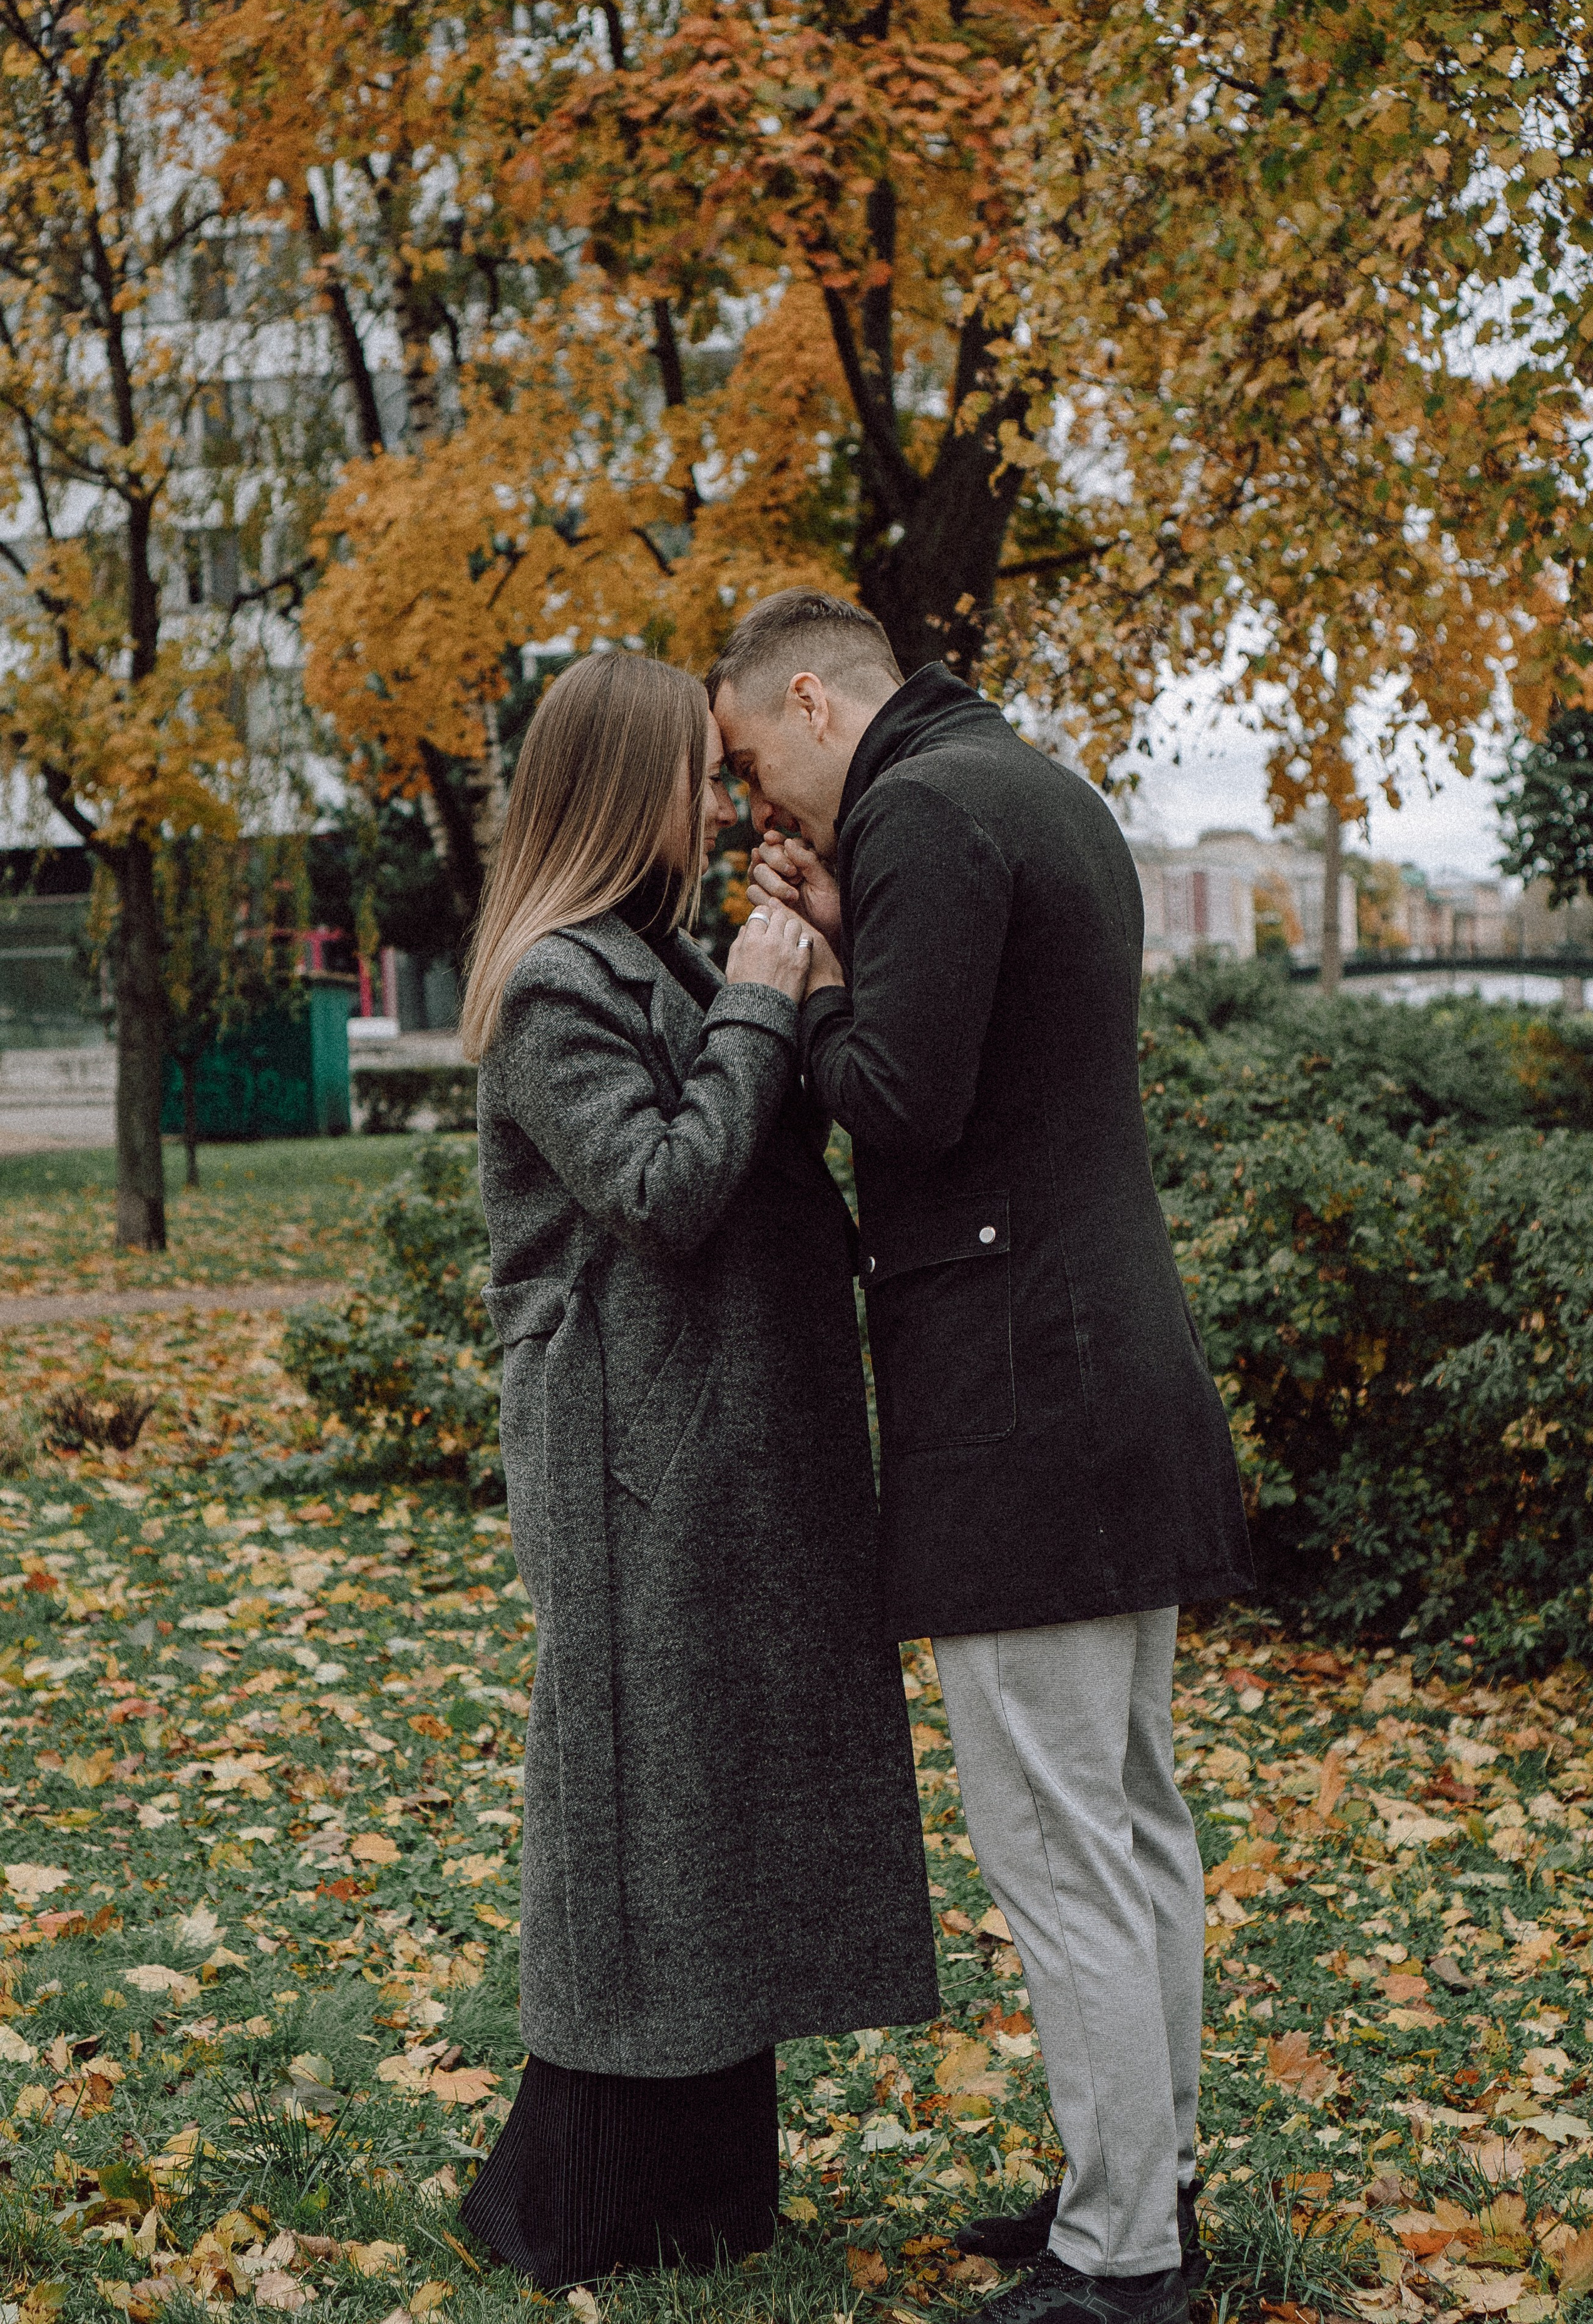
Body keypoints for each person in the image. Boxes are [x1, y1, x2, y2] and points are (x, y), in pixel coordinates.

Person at [710, 590, 1256, 2324]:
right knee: (1137, 1816)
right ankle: (1144, 2178)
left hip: (1020, 1400)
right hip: (1111, 1367)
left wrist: (788, 985)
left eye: (752, 765)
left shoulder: (918, 809)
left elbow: (906, 1100)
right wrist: (862, 948)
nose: (759, 809)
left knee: (1055, 1838)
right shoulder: (1034, 785)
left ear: (811, 698)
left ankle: (1122, 2256)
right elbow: (986, 1049)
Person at [458, 647, 939, 2290]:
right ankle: (575, 2192)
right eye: (690, 771)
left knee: (713, 1808)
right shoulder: (552, 983)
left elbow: (784, 1118)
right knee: (634, 1809)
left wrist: (820, 956)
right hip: (627, 1464)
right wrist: (757, 988)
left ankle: (709, 2187)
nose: (716, 798)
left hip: (722, 1450)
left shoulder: (648, 956)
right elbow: (661, 1187)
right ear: (618, 786)